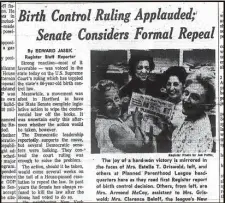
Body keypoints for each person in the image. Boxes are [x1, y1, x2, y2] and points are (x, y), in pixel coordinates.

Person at [92, 80, 155, 153]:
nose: (116, 105)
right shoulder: (112, 128)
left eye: (116, 98)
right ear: (99, 107)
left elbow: (123, 127)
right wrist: (137, 122)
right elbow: (138, 145)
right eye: (108, 103)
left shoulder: (103, 119)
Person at [172, 67, 215, 153]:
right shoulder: (191, 117)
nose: (186, 99)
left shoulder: (199, 133)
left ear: (207, 106)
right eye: (186, 93)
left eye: (195, 97)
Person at [156, 66, 188, 152]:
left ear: (183, 85)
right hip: (166, 146)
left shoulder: (188, 105)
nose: (171, 88)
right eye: (168, 84)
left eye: (176, 84)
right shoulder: (165, 103)